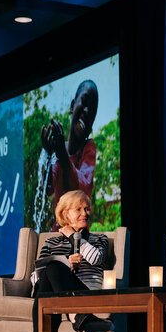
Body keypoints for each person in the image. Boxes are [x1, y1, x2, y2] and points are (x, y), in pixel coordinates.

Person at [17, 190, 112, 332]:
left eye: (87, 209)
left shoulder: (99, 239)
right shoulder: (50, 243)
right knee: (51, 269)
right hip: (54, 291)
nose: (85, 213)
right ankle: (75, 314)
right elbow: (36, 276)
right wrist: (66, 264)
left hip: (86, 291)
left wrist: (73, 237)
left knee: (51, 273)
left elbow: (96, 259)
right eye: (79, 209)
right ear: (65, 214)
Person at [42, 80, 99, 230]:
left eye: (92, 111)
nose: (86, 111)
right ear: (73, 105)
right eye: (84, 102)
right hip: (58, 234)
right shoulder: (61, 149)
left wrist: (61, 154)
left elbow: (81, 189)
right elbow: (47, 189)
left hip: (79, 240)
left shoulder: (89, 147)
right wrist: (48, 155)